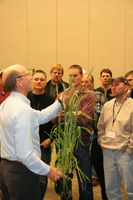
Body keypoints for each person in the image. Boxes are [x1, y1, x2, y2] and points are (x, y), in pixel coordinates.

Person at [0, 64, 63, 200]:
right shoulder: (22, 110)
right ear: (19, 81)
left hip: (7, 168)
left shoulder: (8, 103)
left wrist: (61, 102)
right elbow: (25, 154)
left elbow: (39, 117)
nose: (31, 77)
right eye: (28, 74)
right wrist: (49, 170)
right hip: (21, 172)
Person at [54, 65, 95, 200]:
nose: (72, 79)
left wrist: (65, 114)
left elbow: (84, 119)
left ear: (82, 77)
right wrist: (73, 113)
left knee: (84, 177)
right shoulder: (63, 94)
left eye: (75, 75)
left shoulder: (88, 95)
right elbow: (54, 118)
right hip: (65, 143)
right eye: (70, 76)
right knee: (64, 177)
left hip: (81, 142)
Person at [98, 76, 133, 200]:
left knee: (130, 188)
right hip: (107, 152)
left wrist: (130, 149)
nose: (113, 87)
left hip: (125, 153)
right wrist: (101, 142)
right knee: (111, 188)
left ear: (127, 87)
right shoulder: (107, 105)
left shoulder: (132, 105)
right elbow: (101, 127)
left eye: (117, 84)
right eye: (112, 85)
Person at [27, 70, 55, 199]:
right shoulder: (25, 98)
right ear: (31, 81)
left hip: (44, 143)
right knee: (27, 175)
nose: (39, 81)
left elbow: (57, 124)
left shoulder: (51, 99)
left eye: (42, 79)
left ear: (46, 82)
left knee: (42, 177)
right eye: (36, 79)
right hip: (26, 143)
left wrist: (51, 138)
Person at [82, 74, 108, 200]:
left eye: (87, 82)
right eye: (83, 82)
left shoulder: (100, 96)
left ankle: (106, 196)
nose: (85, 84)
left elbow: (107, 118)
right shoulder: (77, 97)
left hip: (97, 139)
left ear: (92, 83)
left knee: (102, 172)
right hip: (82, 140)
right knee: (84, 173)